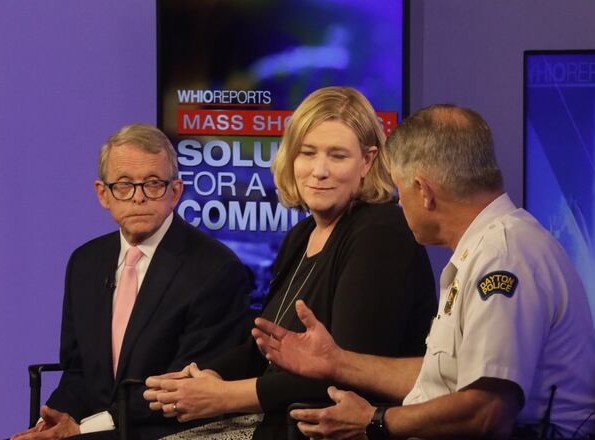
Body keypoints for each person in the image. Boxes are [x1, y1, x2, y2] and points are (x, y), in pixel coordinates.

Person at [253, 105, 595, 439]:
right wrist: (338, 364)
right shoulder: (487, 246)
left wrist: (375, 422)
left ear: (423, 191)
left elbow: (488, 412)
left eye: (400, 190)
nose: (400, 203)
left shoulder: (504, 257)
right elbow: (443, 379)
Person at [142, 86, 438, 439]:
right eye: (307, 153)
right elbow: (265, 347)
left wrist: (223, 397)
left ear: (368, 161)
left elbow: (342, 374)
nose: (319, 170)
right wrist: (206, 376)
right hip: (275, 423)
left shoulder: (381, 232)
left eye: (337, 156)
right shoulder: (301, 234)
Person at [11, 124, 253, 440]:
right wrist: (57, 418)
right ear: (103, 194)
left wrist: (85, 428)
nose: (138, 198)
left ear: (175, 192)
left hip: (168, 432)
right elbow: (78, 370)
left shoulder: (216, 270)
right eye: (124, 185)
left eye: (153, 184)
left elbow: (181, 391)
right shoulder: (85, 262)